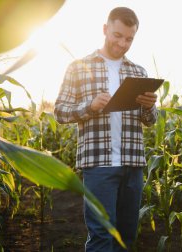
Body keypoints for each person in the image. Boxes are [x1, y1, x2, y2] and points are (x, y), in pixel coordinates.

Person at [54, 7, 158, 252]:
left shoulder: (138, 72)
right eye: (117, 35)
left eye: (129, 39)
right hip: (98, 164)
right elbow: (59, 112)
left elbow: (150, 120)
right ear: (105, 29)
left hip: (132, 163)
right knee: (101, 235)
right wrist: (89, 106)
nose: (123, 43)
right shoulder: (78, 68)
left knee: (126, 236)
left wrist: (149, 107)